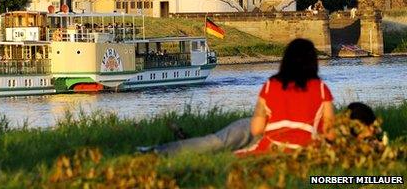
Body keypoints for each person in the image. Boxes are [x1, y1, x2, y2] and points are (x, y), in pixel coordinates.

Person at [142, 102, 376, 156]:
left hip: (262, 142)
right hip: (255, 129)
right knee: (216, 143)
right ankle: (155, 151)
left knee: (220, 151)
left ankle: (171, 147)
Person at [237, 38, 334, 154]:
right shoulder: (322, 89)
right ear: (313, 62)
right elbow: (330, 133)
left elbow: (256, 129)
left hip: (272, 148)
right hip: (308, 149)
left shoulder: (269, 86)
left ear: (286, 60)